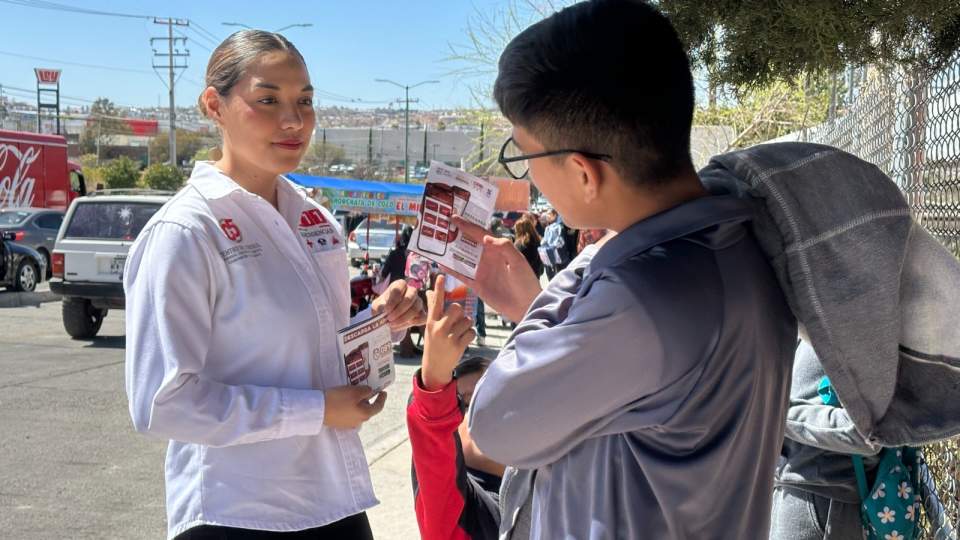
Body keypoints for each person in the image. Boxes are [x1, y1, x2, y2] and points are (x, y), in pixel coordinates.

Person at [447, 1, 798, 538]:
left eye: (525, 157)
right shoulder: (727, 247)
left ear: (584, 174)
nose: (531, 178)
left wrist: (541, 302)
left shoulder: (643, 295)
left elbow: (496, 424)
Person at [123, 30, 426, 539]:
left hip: (335, 502)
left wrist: (382, 323)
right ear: (214, 106)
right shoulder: (186, 231)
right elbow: (163, 403)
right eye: (267, 100)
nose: (294, 120)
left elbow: (319, 349)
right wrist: (317, 410)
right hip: (237, 512)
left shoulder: (315, 221)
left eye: (305, 101)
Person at [407, 275, 504, 540]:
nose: (477, 412)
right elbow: (432, 438)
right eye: (463, 404)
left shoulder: (546, 489)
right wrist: (435, 378)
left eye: (491, 398)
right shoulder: (459, 516)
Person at [768, 339, 882, 539]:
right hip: (793, 488)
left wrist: (774, 411)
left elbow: (867, 434)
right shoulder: (811, 321)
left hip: (825, 495)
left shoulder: (862, 325)